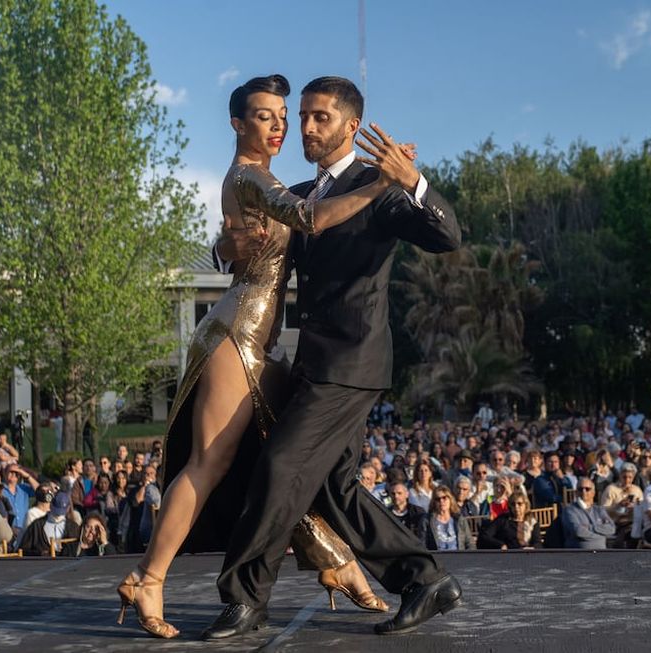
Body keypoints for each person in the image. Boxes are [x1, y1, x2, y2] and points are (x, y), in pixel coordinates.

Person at [118, 74, 397, 640]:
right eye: (264, 115)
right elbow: (312, 219)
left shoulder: (267, 180)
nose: (278, 125)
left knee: (287, 459)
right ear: (238, 124)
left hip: (253, 340)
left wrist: (225, 246)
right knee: (210, 462)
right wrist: (379, 187)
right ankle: (148, 577)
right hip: (234, 336)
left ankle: (335, 561)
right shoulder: (249, 176)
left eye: (282, 116)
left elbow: (251, 233)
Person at [206, 76, 462, 640]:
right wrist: (225, 248)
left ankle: (245, 599)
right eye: (301, 116)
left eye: (320, 117)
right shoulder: (299, 194)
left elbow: (448, 236)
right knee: (335, 489)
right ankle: (424, 579)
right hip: (313, 364)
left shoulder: (380, 186)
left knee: (280, 467)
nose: (304, 127)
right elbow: (240, 249)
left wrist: (414, 182)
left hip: (352, 363)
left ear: (350, 126)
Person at [478, 489, 542, 549]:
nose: (516, 507)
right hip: (507, 555)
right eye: (513, 504)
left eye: (519, 504)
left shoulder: (532, 522)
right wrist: (500, 545)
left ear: (526, 505)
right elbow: (485, 535)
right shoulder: (503, 520)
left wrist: (531, 548)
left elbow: (538, 543)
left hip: (527, 555)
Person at [561, 478, 615, 549]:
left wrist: (590, 527)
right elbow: (578, 531)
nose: (584, 492)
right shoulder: (569, 510)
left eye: (587, 489)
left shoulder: (599, 510)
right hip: (579, 554)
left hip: (601, 553)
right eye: (580, 489)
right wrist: (601, 536)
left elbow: (611, 529)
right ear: (576, 492)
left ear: (593, 493)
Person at [420, 486, 474, 551]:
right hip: (437, 558)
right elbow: (422, 545)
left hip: (458, 557)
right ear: (434, 502)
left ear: (450, 499)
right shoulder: (427, 520)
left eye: (444, 498)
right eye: (438, 499)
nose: (441, 501)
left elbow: (470, 543)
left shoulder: (460, 519)